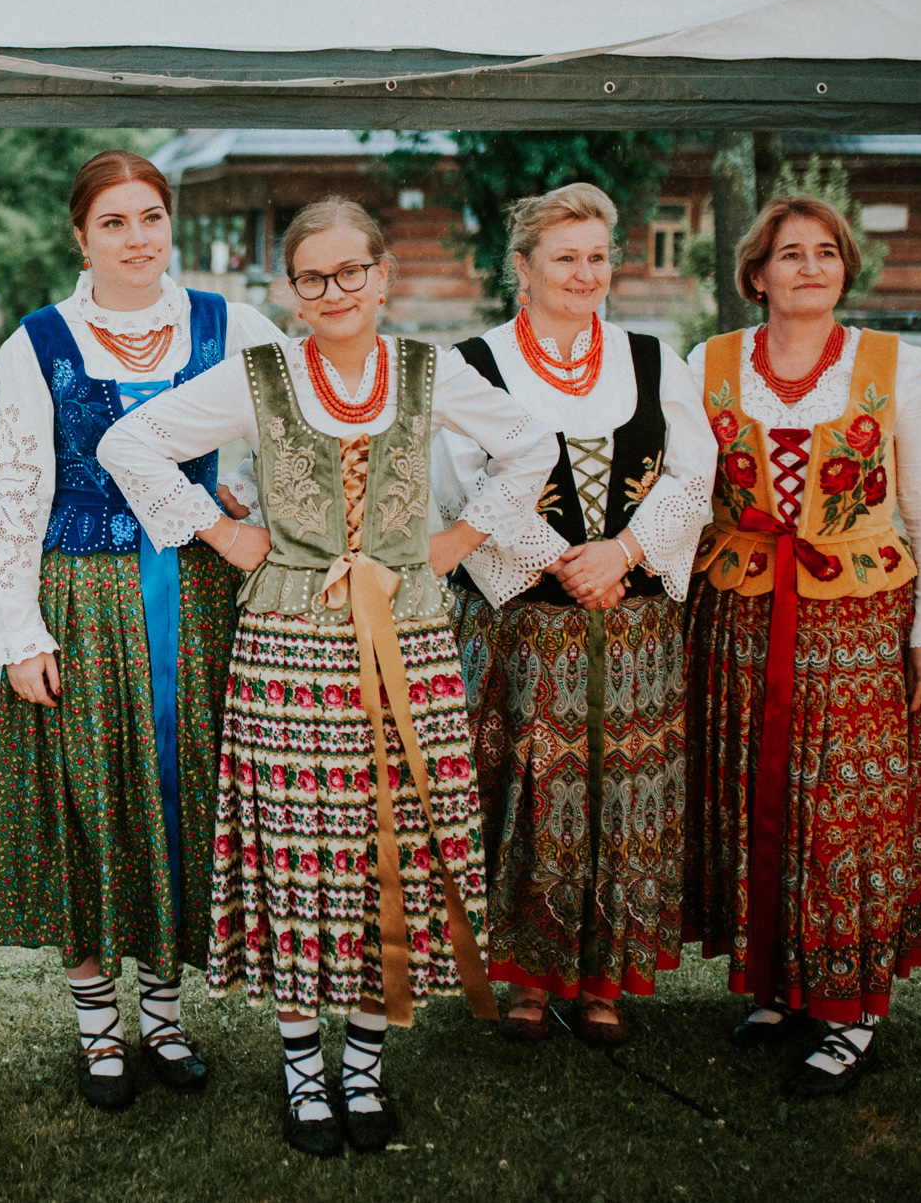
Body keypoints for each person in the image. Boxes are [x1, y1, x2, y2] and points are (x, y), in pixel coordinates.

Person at [98, 196, 559, 1156]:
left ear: (383, 276)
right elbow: (127, 442)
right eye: (314, 277)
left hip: (409, 636)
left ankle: (366, 1065)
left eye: (352, 271)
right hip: (289, 643)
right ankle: (304, 1066)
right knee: (303, 847)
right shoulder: (261, 374)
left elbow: (532, 445)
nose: (335, 290)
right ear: (293, 292)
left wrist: (457, 540)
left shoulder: (428, 370)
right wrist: (226, 534)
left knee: (396, 841)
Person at [0, 150, 286, 1113]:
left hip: (198, 591)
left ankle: (164, 1012)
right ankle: (97, 1025)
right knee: (93, 791)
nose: (136, 238)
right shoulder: (39, 342)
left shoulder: (230, 324)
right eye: (113, 222)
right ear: (82, 237)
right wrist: (20, 631)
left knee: (184, 789)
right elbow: (12, 494)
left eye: (150, 217)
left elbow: (300, 424)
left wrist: (251, 496)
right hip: (84, 593)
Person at [683, 195, 921, 1096]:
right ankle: (778, 985)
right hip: (742, 612)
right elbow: (683, 492)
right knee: (756, 797)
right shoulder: (710, 363)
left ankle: (852, 1009)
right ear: (756, 274)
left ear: (846, 268)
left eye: (827, 252)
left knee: (846, 808)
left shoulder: (895, 365)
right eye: (790, 252)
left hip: (858, 619)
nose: (811, 266)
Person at [438, 183, 714, 1047]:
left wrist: (621, 554)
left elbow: (693, 475)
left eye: (598, 256)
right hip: (521, 625)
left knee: (624, 794)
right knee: (527, 791)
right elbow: (460, 486)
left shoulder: (653, 359)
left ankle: (604, 977)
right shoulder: (471, 365)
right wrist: (565, 562)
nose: (585, 273)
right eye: (565, 257)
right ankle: (526, 975)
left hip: (632, 627)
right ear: (522, 268)